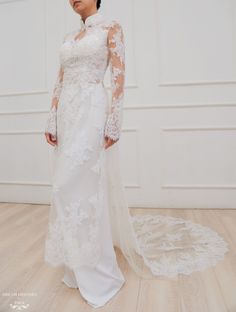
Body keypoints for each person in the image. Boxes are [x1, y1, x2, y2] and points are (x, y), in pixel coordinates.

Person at [44, 0, 229, 308]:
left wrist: (113, 121)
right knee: (67, 191)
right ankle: (77, 264)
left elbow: (118, 77)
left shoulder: (111, 28)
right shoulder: (68, 38)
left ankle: (99, 272)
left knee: (83, 187)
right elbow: (59, 81)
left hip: (91, 111)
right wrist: (51, 117)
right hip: (67, 115)